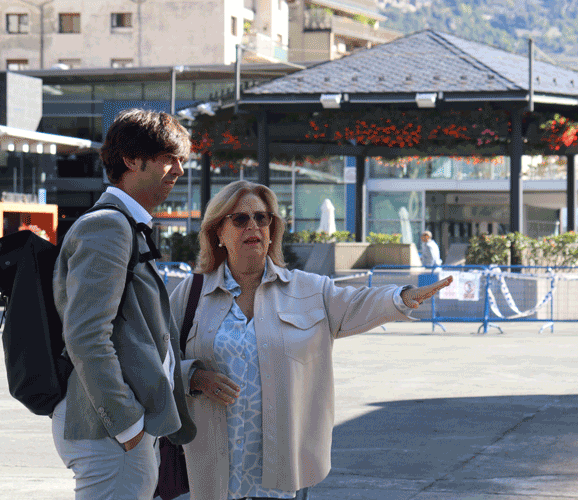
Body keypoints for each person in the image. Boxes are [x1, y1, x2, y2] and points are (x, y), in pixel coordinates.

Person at [169, 180, 452, 500]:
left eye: (262, 218)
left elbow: (359, 303)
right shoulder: (191, 294)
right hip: (212, 470)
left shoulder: (309, 290)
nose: (254, 226)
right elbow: (158, 362)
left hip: (282, 472)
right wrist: (193, 375)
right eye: (240, 219)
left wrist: (404, 297)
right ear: (218, 232)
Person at [52, 109, 197, 499]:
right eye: (170, 158)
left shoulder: (126, 225)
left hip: (120, 430)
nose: (179, 171)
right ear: (132, 160)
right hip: (111, 434)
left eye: (181, 161)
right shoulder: (109, 226)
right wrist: (127, 426)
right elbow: (85, 335)